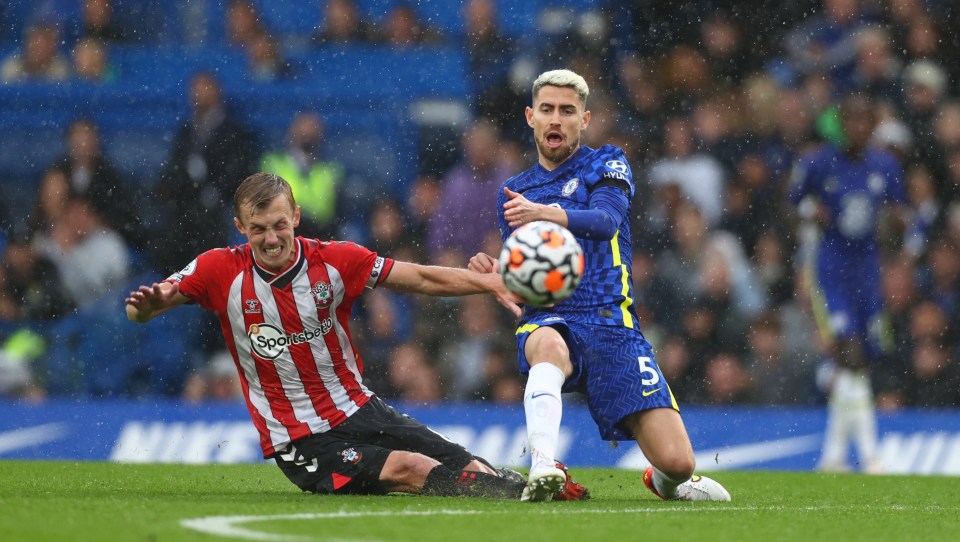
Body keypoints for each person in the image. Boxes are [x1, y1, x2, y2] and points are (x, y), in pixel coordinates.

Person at [124, 172, 586, 500]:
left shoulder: (336, 260)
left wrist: (486, 282)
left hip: (358, 406)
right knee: (412, 468)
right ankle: (524, 495)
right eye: (259, 229)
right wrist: (144, 309)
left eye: (279, 225)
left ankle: (522, 488)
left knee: (469, 467)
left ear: (297, 217)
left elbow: (421, 278)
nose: (270, 238)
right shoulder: (217, 269)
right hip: (302, 440)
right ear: (241, 227)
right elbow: (150, 302)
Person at [467, 69, 731, 502]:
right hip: (552, 317)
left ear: (584, 120)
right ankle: (545, 465)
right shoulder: (514, 192)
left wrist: (547, 213)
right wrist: (502, 273)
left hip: (611, 321)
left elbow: (606, 222)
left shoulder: (606, 162)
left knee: (678, 463)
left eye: (567, 111)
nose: (556, 119)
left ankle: (663, 482)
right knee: (546, 346)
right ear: (531, 117)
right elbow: (535, 272)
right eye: (547, 110)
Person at [788, 92, 907, 473]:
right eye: (850, 119)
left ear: (873, 124)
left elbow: (900, 214)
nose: (856, 126)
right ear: (841, 123)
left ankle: (833, 457)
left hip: (868, 272)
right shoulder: (819, 162)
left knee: (859, 362)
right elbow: (790, 202)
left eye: (863, 119)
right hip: (831, 271)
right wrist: (810, 211)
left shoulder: (885, 165)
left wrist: (900, 237)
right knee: (850, 352)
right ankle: (871, 456)